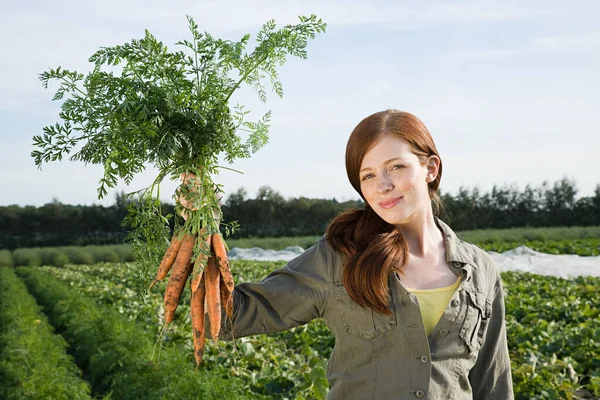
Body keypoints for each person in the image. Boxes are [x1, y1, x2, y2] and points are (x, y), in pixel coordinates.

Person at [214, 110, 514, 399]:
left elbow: (493, 384)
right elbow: (231, 317)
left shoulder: (480, 270)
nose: (383, 186)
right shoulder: (338, 258)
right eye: (368, 175)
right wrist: (204, 232)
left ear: (431, 168)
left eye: (396, 167)